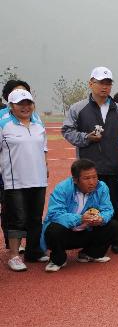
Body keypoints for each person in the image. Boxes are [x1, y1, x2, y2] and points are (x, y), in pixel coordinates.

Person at [61, 67, 118, 254]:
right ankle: (88, 241)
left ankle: (117, 239)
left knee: (115, 203)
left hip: (113, 166)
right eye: (100, 83)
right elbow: (66, 131)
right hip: (88, 169)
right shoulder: (78, 108)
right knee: (87, 205)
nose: (104, 87)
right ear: (91, 83)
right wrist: (86, 137)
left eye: (108, 83)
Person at [41, 158, 118, 272]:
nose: (92, 182)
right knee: (53, 229)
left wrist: (101, 218)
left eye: (94, 177)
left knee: (114, 225)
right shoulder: (62, 188)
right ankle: (58, 260)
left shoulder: (102, 187)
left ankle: (88, 254)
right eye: (86, 178)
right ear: (75, 180)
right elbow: (55, 214)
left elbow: (108, 209)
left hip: (88, 230)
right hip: (66, 233)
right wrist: (80, 218)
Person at [0, 89, 49, 270]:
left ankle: (33, 251)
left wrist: (45, 167)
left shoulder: (38, 124)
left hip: (38, 179)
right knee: (17, 218)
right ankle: (14, 255)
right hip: (15, 181)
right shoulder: (4, 125)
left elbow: (43, 149)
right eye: (20, 104)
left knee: (35, 217)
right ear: (11, 107)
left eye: (28, 103)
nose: (25, 107)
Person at [1, 79, 34, 251]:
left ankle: (31, 246)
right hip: (8, 174)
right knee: (12, 211)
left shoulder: (35, 119)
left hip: (31, 174)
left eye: (25, 94)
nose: (23, 101)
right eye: (16, 94)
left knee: (28, 211)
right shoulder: (2, 119)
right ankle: (13, 245)